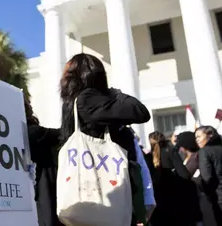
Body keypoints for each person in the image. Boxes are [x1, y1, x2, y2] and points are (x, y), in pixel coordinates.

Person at [59, 53, 152, 225]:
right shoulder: (88, 99)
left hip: (91, 192)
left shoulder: (78, 101)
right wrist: (115, 92)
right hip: (106, 193)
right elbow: (139, 110)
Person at [24, 96, 63, 226]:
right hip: (44, 184)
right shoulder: (33, 131)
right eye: (28, 103)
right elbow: (61, 134)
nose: (32, 106)